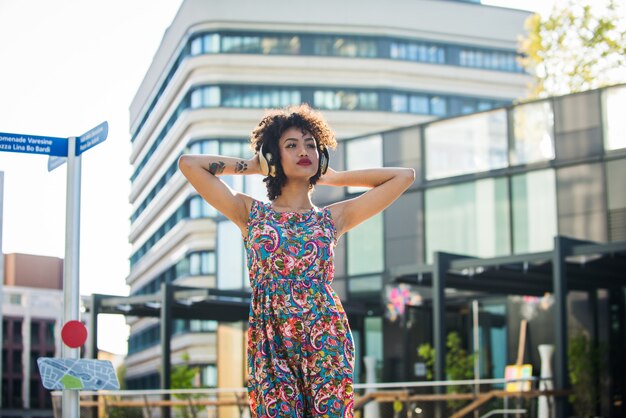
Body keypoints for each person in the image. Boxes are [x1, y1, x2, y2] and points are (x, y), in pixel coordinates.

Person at [179, 104, 414, 417]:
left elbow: (403, 176)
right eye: (291, 145)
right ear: (274, 156)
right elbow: (190, 164)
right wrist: (253, 165)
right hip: (270, 338)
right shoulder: (251, 214)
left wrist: (336, 177)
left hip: (325, 336)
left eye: (311, 145)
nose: (304, 151)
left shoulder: (333, 218)